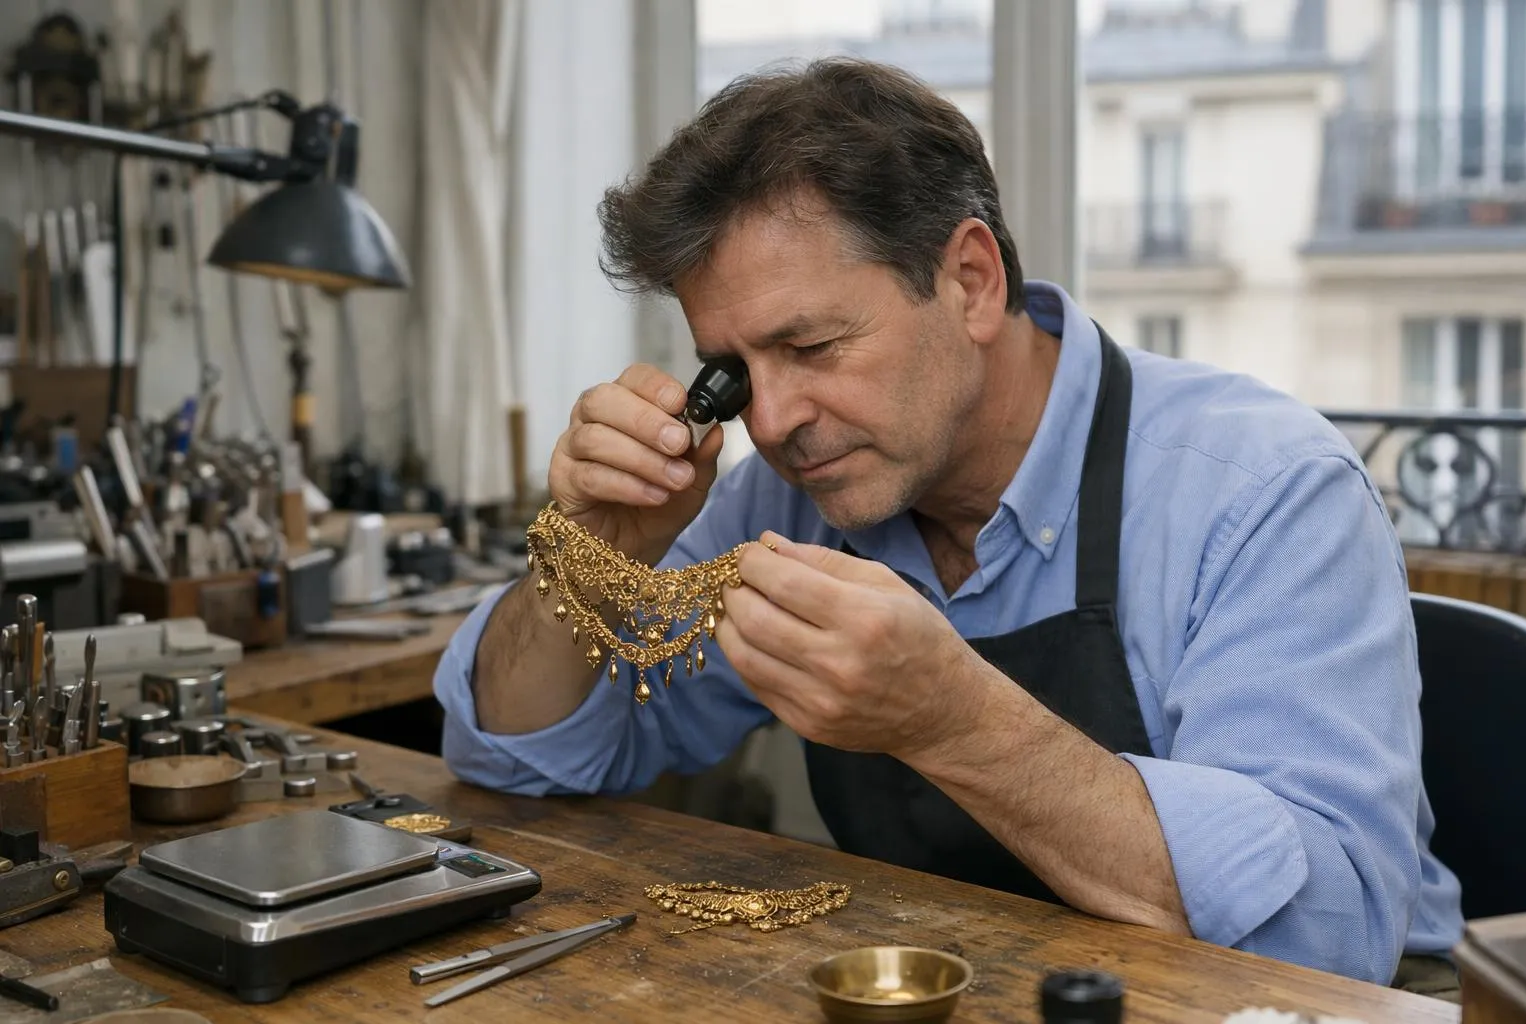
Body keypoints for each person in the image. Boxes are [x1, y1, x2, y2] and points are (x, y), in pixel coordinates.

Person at [434, 58, 1464, 996]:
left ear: (971, 281)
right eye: (739, 371)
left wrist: (952, 719)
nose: (776, 420)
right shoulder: (789, 496)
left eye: (815, 343)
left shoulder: (1266, 493)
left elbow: (1326, 941)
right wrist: (591, 553)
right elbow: (521, 761)